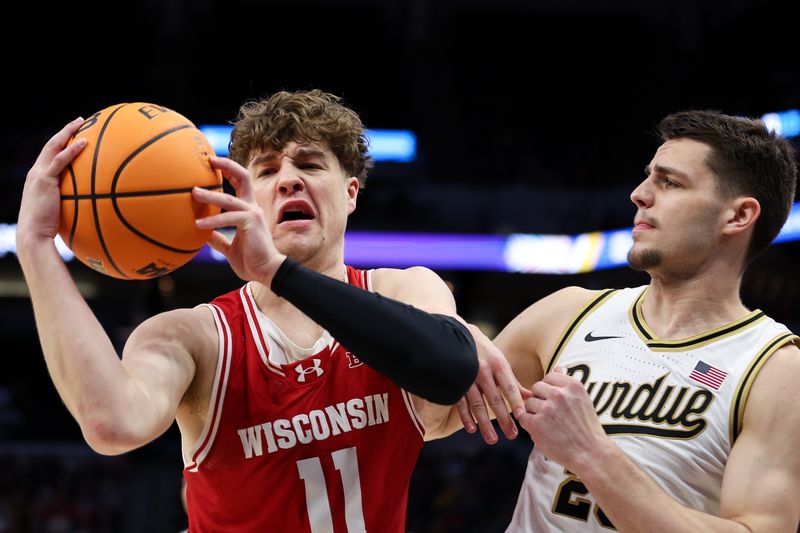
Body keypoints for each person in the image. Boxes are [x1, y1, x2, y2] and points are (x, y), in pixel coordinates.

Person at [16, 90, 523, 531]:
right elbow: (112, 424)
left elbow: (448, 367)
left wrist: (280, 273)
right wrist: (36, 247)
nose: (288, 180)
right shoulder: (193, 335)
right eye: (267, 170)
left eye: (309, 164)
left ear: (350, 193)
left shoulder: (406, 289)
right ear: (244, 198)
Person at [456, 110, 800, 531]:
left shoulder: (776, 371)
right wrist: (440, 321)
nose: (639, 194)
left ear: (738, 216)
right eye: (648, 177)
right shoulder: (566, 312)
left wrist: (592, 454)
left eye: (670, 182)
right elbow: (431, 416)